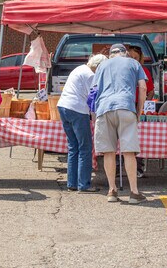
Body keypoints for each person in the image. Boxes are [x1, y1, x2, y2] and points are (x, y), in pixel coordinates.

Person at [93, 43, 148, 204]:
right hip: (126, 106)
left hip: (104, 109)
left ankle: (112, 191)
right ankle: (134, 193)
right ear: (125, 53)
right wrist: (138, 111)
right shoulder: (134, 63)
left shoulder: (102, 65)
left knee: (109, 152)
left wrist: (95, 115)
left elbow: (94, 91)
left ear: (111, 55)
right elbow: (143, 88)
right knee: (128, 152)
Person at [57, 54, 108, 193]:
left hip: (63, 106)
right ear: (98, 67)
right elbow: (93, 100)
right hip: (77, 109)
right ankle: (83, 184)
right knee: (85, 147)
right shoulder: (91, 75)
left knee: (73, 146)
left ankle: (72, 183)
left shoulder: (79, 69)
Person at [127, 45, 154, 178]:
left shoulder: (143, 71)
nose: (133, 60)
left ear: (140, 58)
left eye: (135, 58)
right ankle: (120, 167)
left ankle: (138, 166)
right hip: (126, 105)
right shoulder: (124, 70)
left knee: (137, 138)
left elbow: (150, 91)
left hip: (138, 106)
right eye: (130, 57)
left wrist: (144, 105)